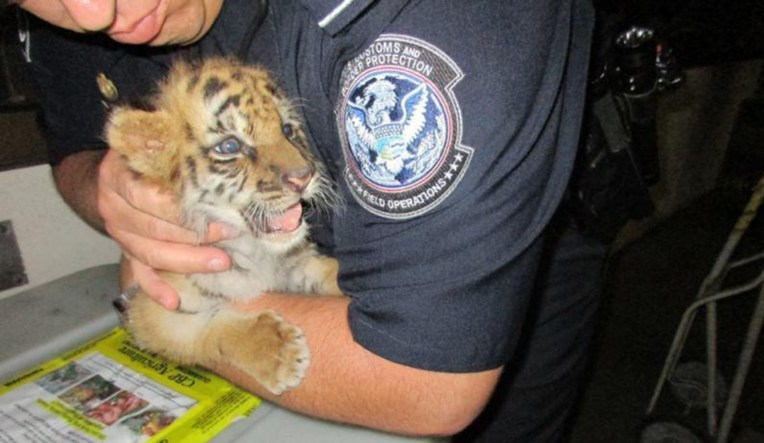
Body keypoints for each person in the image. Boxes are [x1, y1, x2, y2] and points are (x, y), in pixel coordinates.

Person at [16, 0, 607, 440]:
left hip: (492, 268)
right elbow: (74, 144)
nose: (94, 12)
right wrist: (107, 190)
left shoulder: (435, 16)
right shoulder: (77, 13)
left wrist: (189, 316)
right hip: (285, 283)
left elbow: (423, 379)